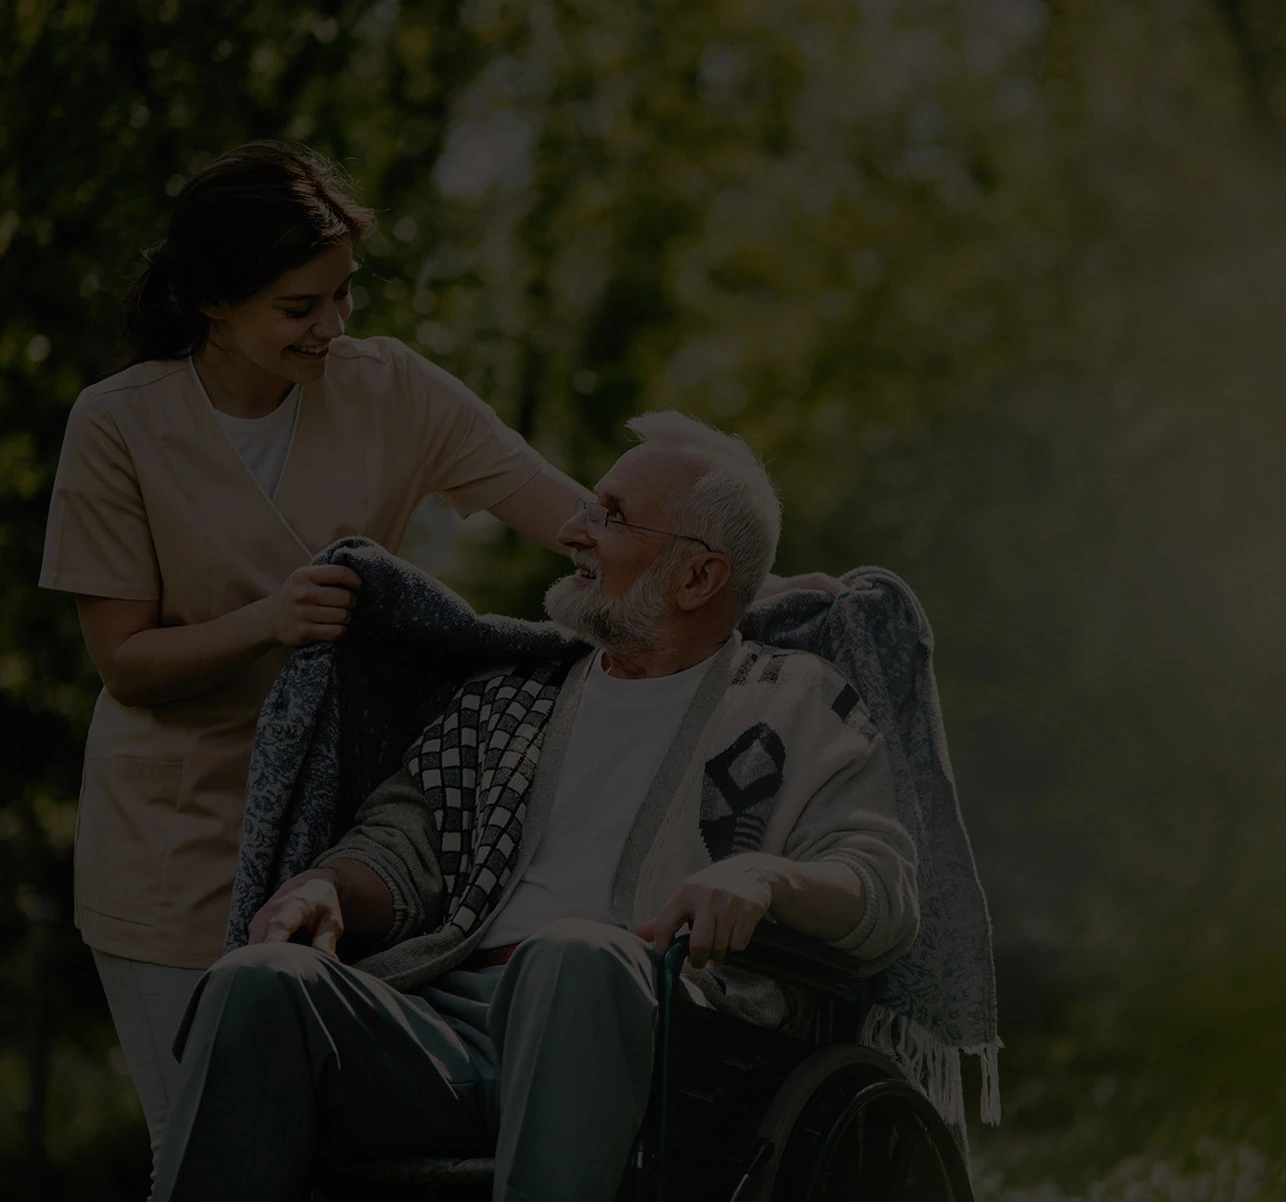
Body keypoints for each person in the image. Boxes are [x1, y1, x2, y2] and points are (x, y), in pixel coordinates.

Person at [37, 141, 835, 1161]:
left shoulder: (391, 388)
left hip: (341, 824)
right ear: (212, 302)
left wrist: (746, 584)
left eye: (343, 294)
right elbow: (124, 661)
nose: (332, 327)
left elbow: (576, 519)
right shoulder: (117, 424)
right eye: (298, 307)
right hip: (174, 833)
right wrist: (269, 620)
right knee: (195, 1146)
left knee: (320, 1153)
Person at [150, 411, 919, 1202]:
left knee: (574, 955)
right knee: (260, 981)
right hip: (445, 1029)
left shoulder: (798, 705)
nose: (572, 530)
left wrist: (766, 877)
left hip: (667, 1039)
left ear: (698, 579)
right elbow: (401, 843)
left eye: (610, 515)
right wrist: (330, 885)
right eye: (589, 505)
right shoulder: (513, 697)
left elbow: (883, 886)